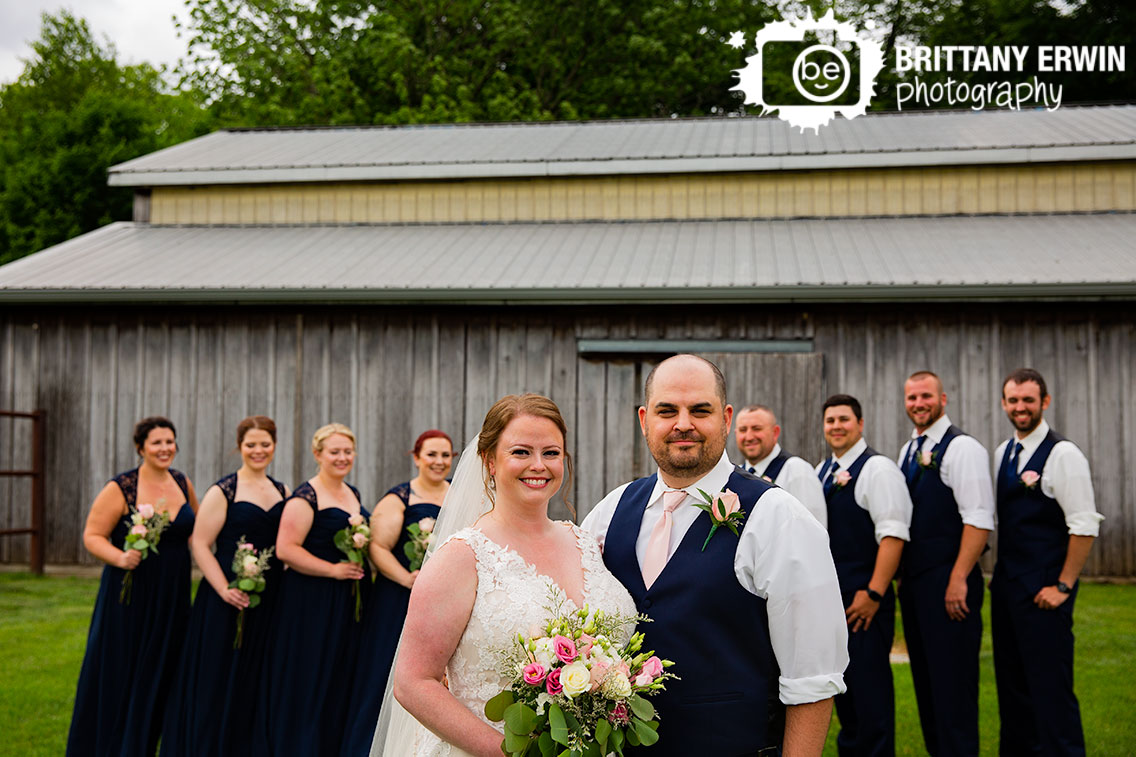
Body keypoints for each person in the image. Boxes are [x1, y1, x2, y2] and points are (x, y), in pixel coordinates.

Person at [584, 355, 848, 757]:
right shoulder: (609, 511)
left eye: (700, 410)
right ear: (644, 420)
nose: (683, 423)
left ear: (725, 418)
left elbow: (813, 678)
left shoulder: (779, 517)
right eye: (667, 410)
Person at [375, 394, 637, 757]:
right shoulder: (463, 556)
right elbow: (413, 682)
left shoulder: (583, 542)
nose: (538, 465)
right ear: (490, 461)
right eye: (520, 452)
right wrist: (509, 752)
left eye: (551, 452)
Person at [67, 416, 199, 757]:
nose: (165, 448)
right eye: (157, 443)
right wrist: (119, 557)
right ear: (140, 447)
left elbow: (199, 533)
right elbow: (92, 536)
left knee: (165, 670)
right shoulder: (121, 487)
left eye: (170, 442)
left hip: (172, 596)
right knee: (121, 669)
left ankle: (148, 742)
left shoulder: (183, 484)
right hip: (129, 594)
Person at [161, 416, 289, 757]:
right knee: (218, 674)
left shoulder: (282, 491)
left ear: (274, 446)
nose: (258, 450)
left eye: (265, 444)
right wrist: (223, 589)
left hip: (270, 597)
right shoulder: (223, 490)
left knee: (258, 672)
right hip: (224, 596)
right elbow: (201, 544)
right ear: (239, 447)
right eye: (251, 445)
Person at [992, 369, 1102, 756]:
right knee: (1014, 691)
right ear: (1004, 403)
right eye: (1013, 400)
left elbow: (1084, 524)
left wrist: (1063, 586)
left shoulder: (1063, 454)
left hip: (1045, 594)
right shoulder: (1003, 452)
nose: (1020, 407)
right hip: (1008, 592)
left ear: (1045, 402)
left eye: (1028, 400)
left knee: (1051, 692)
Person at [257, 423, 371, 757]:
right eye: (334, 452)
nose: (342, 457)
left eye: (347, 451)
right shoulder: (305, 497)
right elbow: (286, 550)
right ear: (318, 454)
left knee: (337, 670)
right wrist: (334, 570)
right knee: (309, 673)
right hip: (310, 599)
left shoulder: (352, 493)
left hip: (345, 600)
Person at [896, 372, 993, 757]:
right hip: (918, 585)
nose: (918, 403)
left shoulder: (963, 448)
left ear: (943, 398)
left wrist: (958, 579)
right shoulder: (908, 450)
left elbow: (979, 519)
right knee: (928, 686)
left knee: (954, 690)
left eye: (926, 396)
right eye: (912, 397)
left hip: (952, 583)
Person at [342, 429, 453, 756]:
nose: (439, 461)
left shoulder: (458, 495)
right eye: (431, 454)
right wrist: (407, 578)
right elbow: (379, 547)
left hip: (444, 602)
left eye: (445, 455)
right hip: (397, 599)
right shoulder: (399, 498)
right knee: (387, 670)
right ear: (416, 457)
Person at [816, 394, 911, 757]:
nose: (836, 426)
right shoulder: (822, 472)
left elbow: (893, 535)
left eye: (844, 419)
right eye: (830, 421)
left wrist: (874, 593)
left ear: (860, 423)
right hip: (832, 604)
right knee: (846, 699)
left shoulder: (878, 470)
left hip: (863, 602)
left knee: (870, 698)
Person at [735, 403, 827, 526]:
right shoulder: (736, 474)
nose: (749, 437)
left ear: (775, 432)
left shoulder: (797, 470)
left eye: (756, 428)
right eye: (743, 430)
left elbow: (813, 529)